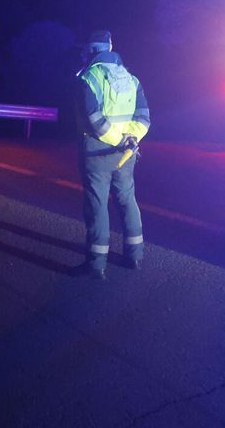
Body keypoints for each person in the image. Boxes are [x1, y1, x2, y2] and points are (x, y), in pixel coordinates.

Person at [75, 30, 151, 280]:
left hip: (97, 153)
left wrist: (117, 139)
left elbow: (94, 119)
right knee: (127, 200)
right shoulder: (131, 78)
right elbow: (144, 118)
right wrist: (129, 140)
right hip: (126, 154)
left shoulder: (89, 77)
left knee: (97, 206)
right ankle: (135, 255)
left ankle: (96, 264)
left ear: (92, 50)